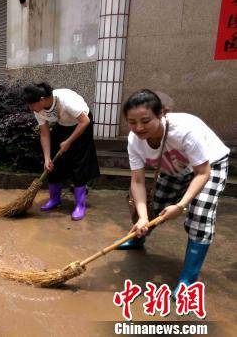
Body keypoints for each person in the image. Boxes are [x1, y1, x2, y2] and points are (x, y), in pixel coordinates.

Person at [118, 89, 230, 295]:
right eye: (132, 122)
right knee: (155, 206)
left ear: (161, 113)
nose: (139, 128)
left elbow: (202, 172)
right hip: (173, 166)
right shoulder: (134, 141)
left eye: (145, 120)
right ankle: (139, 237)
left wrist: (181, 205)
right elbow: (137, 180)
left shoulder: (185, 130)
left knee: (199, 216)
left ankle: (188, 278)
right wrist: (143, 217)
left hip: (208, 165)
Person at [23, 83, 100, 220]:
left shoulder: (66, 101)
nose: (30, 108)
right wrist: (47, 158)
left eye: (32, 105)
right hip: (63, 125)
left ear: (42, 99)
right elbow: (45, 134)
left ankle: (80, 205)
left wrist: (68, 141)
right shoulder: (38, 110)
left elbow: (85, 121)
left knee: (79, 164)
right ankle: (54, 199)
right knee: (53, 163)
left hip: (82, 124)